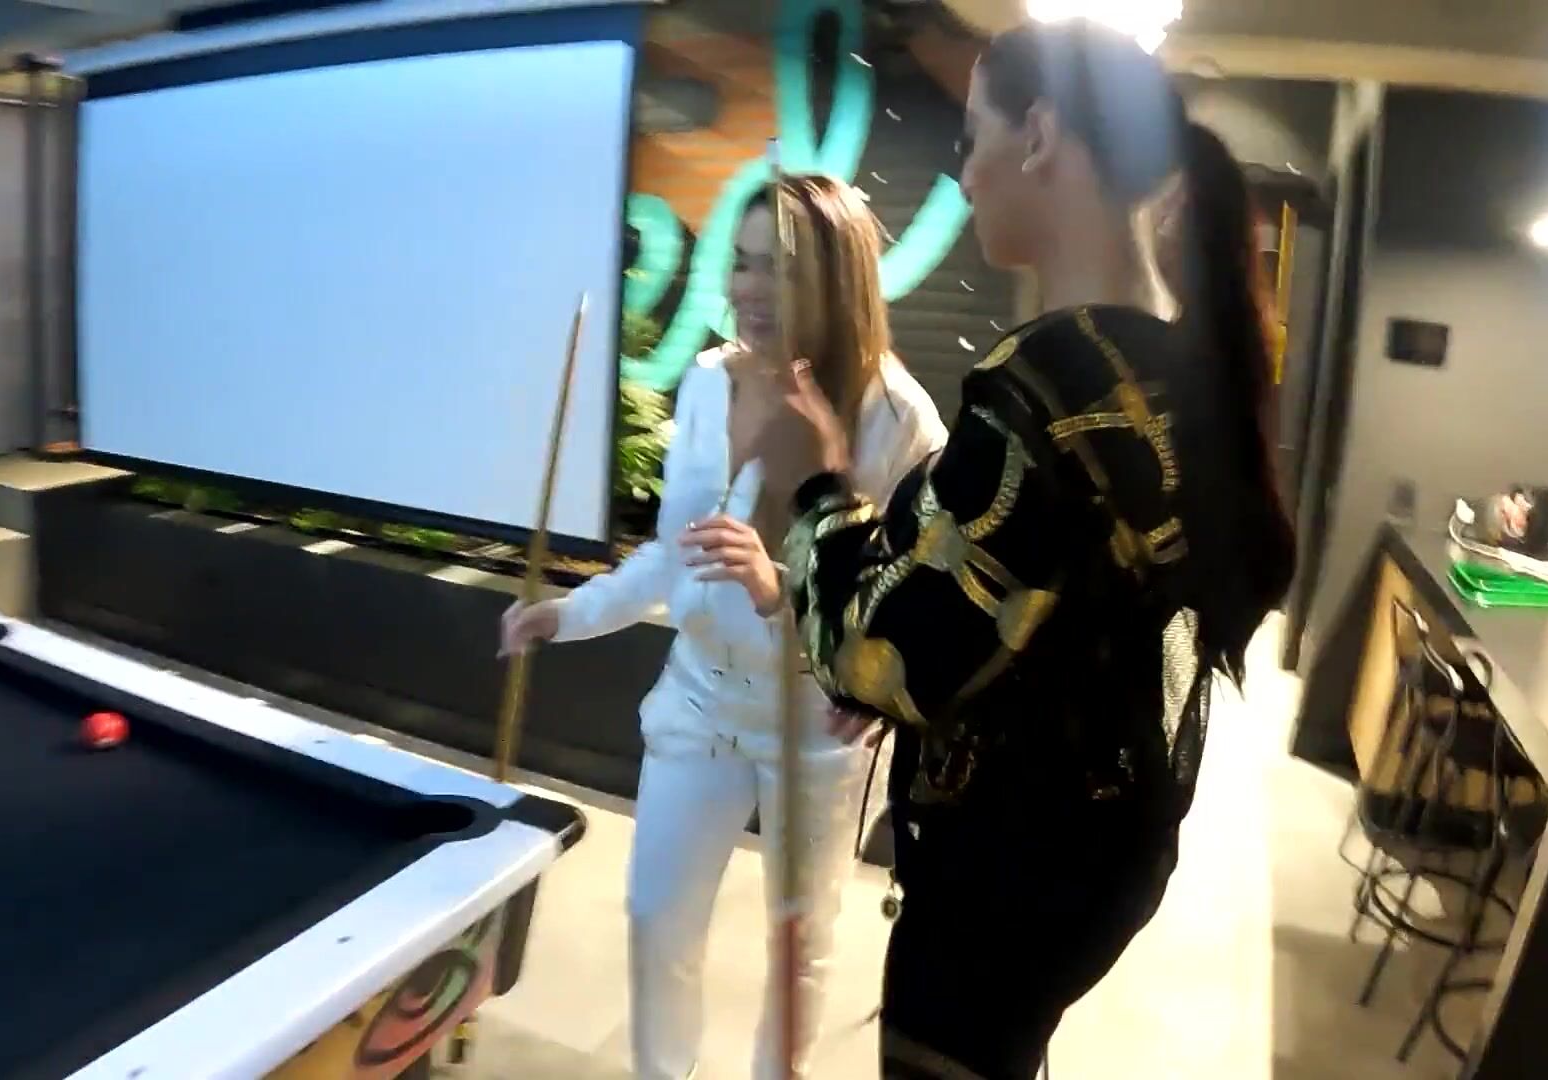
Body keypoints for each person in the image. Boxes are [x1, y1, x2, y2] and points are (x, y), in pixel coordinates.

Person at [722, 21, 1296, 1080]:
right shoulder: (1165, 367)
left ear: (1039, 135)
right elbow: (1032, 614)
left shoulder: (1049, 389)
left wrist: (815, 482)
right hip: (1099, 852)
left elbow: (872, 657)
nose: (963, 171)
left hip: (1009, 878)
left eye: (974, 136)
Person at [500, 174, 946, 1080]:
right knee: (655, 915)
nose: (748, 288)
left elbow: (902, 607)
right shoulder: (707, 383)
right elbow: (676, 552)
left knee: (798, 947)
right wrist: (570, 613)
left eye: (779, 269)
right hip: (699, 699)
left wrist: (784, 589)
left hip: (814, 728)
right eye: (740, 263)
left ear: (837, 281)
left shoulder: (899, 419)